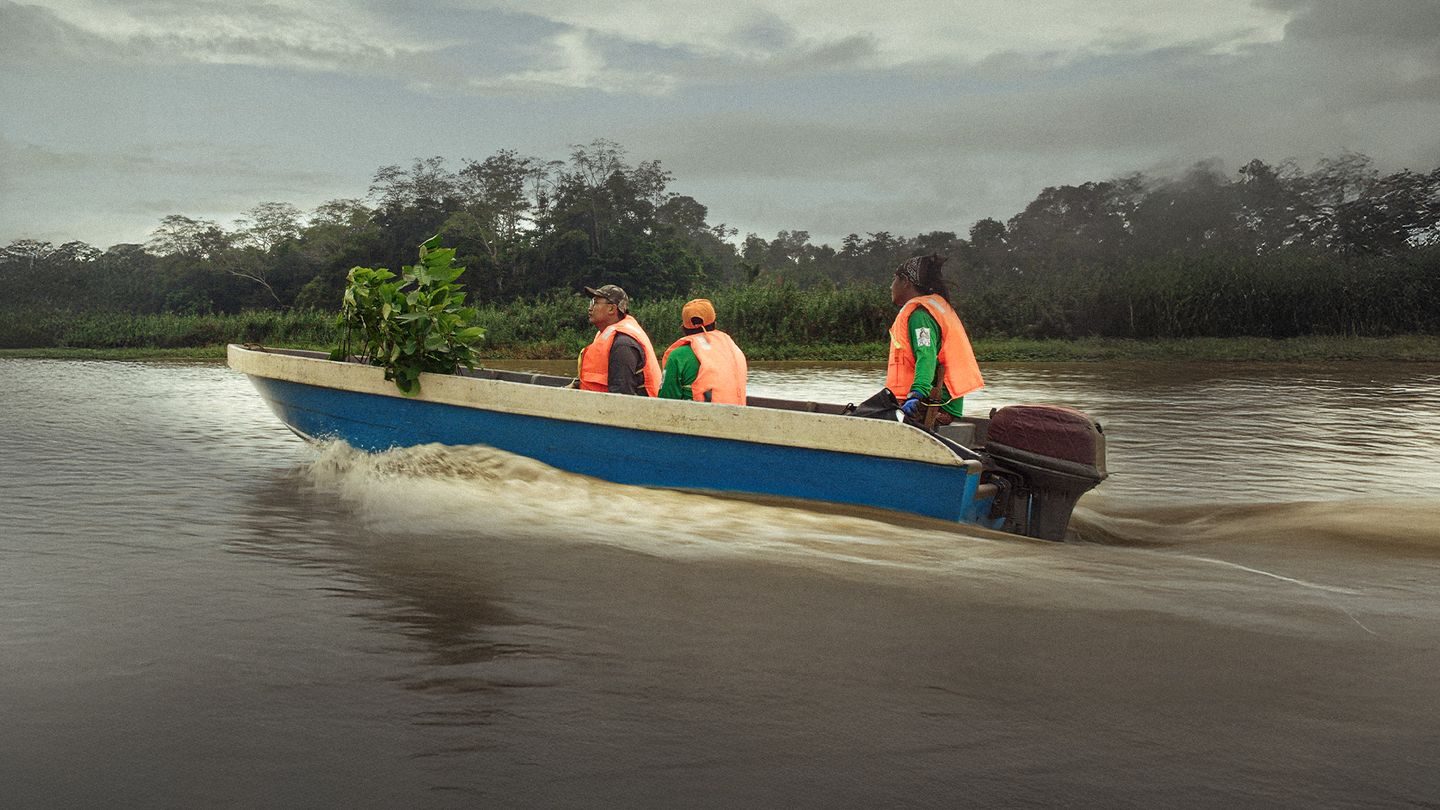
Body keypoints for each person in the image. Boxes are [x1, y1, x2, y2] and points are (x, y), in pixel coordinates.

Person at [886, 255, 983, 427]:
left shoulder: (920, 316)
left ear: (906, 282)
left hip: (932, 406)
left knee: (864, 414)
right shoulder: (932, 309)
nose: (891, 286)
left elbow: (926, 356)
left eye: (894, 279)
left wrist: (917, 394)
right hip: (934, 404)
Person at [659, 298, 748, 404]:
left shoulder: (678, 355)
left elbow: (666, 400)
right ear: (715, 323)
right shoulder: (734, 349)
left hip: (698, 414)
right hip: (735, 412)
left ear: (683, 328)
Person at [578, 284, 661, 396]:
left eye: (595, 303)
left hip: (635, 406)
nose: (590, 308)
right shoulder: (607, 336)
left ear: (612, 309)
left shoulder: (623, 344)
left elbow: (622, 395)